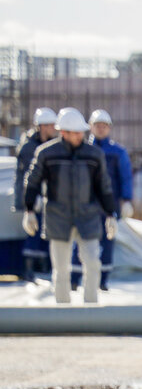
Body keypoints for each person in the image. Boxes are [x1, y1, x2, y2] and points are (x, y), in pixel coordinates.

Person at [21, 108, 116, 304]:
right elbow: (32, 181)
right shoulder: (47, 154)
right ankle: (62, 311)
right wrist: (29, 210)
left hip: (87, 217)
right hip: (58, 218)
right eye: (75, 132)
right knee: (61, 268)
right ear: (63, 132)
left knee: (92, 263)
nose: (80, 136)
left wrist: (110, 214)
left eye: (82, 132)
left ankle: (91, 307)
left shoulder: (94, 155)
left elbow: (103, 186)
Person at [70, 110, 132, 292]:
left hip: (108, 206)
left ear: (109, 128)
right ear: (91, 127)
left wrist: (126, 200)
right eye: (98, 126)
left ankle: (102, 281)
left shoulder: (118, 152)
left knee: (107, 243)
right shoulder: (81, 150)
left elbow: (125, 177)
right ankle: (74, 278)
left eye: (104, 126)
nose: (101, 129)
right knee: (80, 241)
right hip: (85, 205)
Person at [14, 106, 58, 281]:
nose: (53, 129)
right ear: (41, 126)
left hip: (45, 198)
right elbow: (29, 177)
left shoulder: (45, 145)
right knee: (33, 231)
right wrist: (32, 200)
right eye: (49, 125)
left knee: (44, 232)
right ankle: (29, 269)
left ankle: (42, 268)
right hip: (34, 199)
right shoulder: (29, 148)